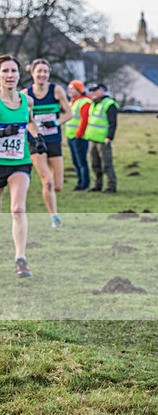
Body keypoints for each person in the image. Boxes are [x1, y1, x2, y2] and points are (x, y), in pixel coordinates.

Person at [0, 54, 48, 277]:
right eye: (5, 71)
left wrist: (38, 137)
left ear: (20, 75)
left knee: (18, 208)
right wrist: (3, 133)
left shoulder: (26, 100)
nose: (10, 75)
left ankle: (21, 259)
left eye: (13, 71)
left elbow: (29, 121)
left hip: (20, 161)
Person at [23, 58, 71, 227]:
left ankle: (51, 195)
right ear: (32, 73)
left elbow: (69, 113)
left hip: (54, 140)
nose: (42, 74)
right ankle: (54, 217)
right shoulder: (25, 94)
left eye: (45, 71)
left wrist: (56, 122)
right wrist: (34, 133)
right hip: (36, 141)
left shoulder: (56, 90)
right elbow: (24, 118)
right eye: (39, 71)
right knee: (47, 181)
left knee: (57, 185)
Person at [84, 82, 119, 193]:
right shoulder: (94, 103)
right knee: (95, 164)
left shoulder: (109, 104)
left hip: (103, 139)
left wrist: (109, 137)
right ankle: (97, 185)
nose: (93, 93)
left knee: (106, 164)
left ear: (102, 91)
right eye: (92, 91)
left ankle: (111, 186)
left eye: (95, 90)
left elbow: (113, 123)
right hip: (92, 138)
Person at [64, 80, 92, 191]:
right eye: (69, 89)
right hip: (71, 136)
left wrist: (79, 134)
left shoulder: (84, 102)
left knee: (81, 161)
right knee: (75, 161)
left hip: (79, 137)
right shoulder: (72, 102)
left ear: (79, 90)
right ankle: (80, 182)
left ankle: (84, 183)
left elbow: (84, 120)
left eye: (72, 89)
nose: (69, 91)